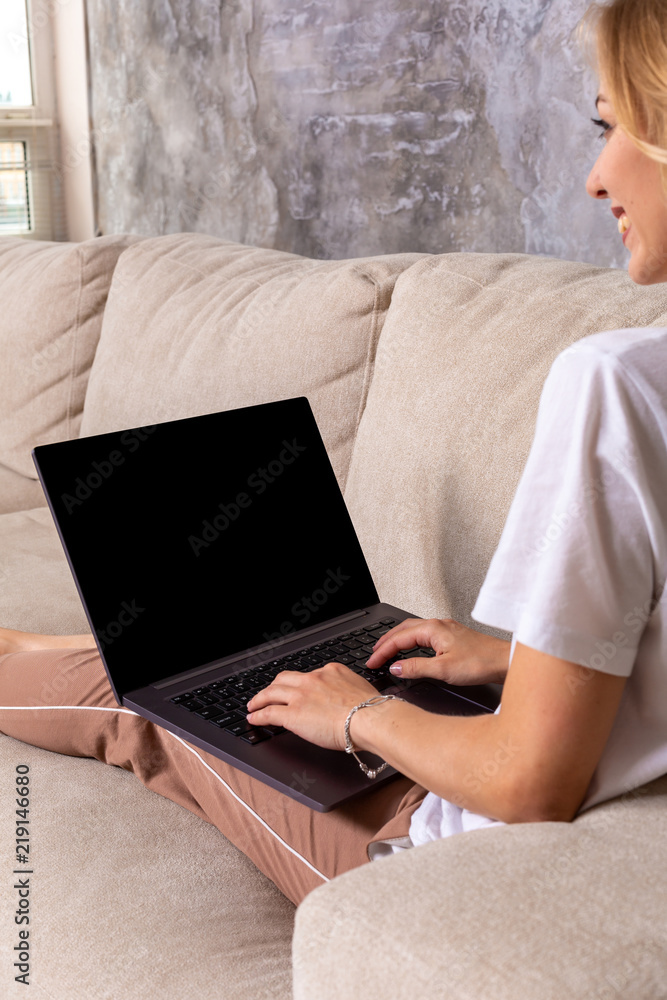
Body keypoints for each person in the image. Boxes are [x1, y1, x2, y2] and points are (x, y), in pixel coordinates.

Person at [1, 0, 666, 908]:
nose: (595, 178)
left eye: (611, 126)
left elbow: (526, 786)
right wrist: (519, 660)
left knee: (141, 702)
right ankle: (49, 645)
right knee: (186, 664)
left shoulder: (619, 379)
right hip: (536, 762)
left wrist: (358, 713)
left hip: (441, 861)